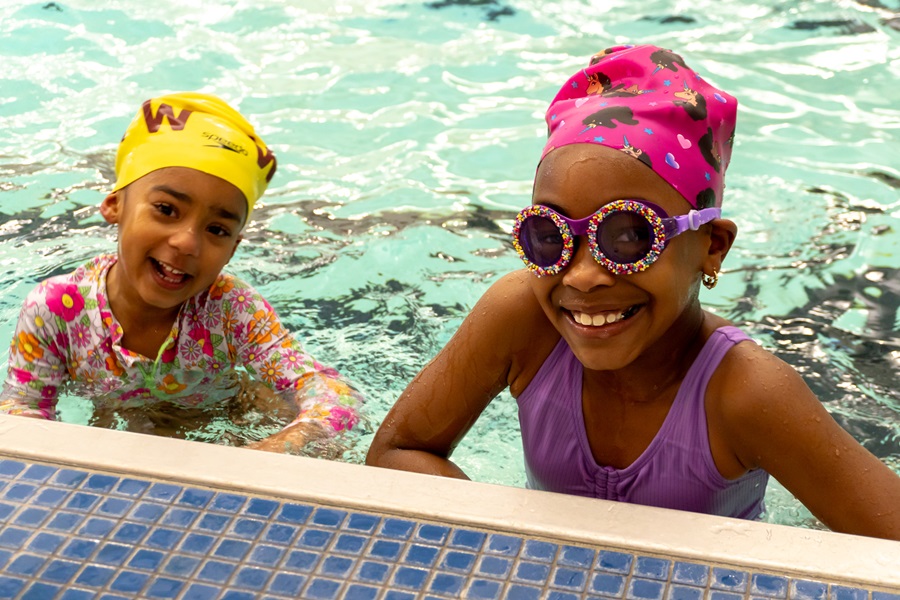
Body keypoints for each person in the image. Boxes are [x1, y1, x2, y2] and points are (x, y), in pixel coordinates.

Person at [366, 44, 900, 540]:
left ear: (712, 247)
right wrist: (518, 545)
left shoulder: (746, 393)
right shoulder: (520, 318)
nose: (580, 275)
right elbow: (398, 452)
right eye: (549, 236)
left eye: (628, 235)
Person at [0, 92, 363, 454]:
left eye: (217, 230)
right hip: (120, 424)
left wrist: (277, 446)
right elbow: (22, 411)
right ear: (114, 205)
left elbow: (335, 394)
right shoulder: (56, 310)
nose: (187, 242)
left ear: (233, 248)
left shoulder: (231, 310)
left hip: (228, 422)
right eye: (166, 209)